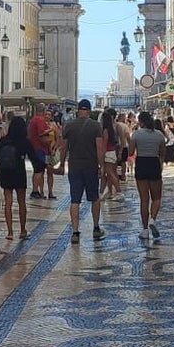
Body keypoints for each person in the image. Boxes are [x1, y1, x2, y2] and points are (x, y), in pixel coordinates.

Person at [60, 98, 105, 244]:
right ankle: (96, 227)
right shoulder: (96, 126)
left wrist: (61, 163)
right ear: (89, 111)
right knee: (94, 198)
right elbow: (99, 147)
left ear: (78, 110)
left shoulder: (69, 125)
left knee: (75, 200)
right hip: (91, 166)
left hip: (74, 166)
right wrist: (102, 165)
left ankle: (75, 232)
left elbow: (64, 147)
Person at [132, 110, 166, 240]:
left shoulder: (136, 134)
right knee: (156, 197)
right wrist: (160, 164)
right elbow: (163, 152)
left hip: (141, 163)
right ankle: (153, 219)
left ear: (141, 122)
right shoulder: (159, 135)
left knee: (144, 199)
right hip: (154, 163)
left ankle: (145, 229)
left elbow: (130, 151)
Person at [0, 114, 30, 241]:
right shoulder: (24, 141)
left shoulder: (3, 140)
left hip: (6, 173)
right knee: (22, 202)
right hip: (19, 173)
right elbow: (33, 157)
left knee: (8, 203)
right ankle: (22, 230)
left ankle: (10, 232)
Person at [27, 106, 51, 199]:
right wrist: (51, 130)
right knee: (39, 170)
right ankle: (35, 191)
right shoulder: (40, 120)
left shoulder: (33, 120)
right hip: (40, 149)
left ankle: (35, 190)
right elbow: (41, 133)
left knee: (36, 170)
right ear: (43, 111)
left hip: (34, 148)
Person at [100, 108, 122, 198]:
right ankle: (108, 192)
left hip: (107, 153)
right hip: (112, 152)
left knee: (110, 174)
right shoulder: (111, 129)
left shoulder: (105, 130)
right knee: (111, 174)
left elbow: (104, 144)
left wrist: (102, 155)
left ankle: (118, 191)